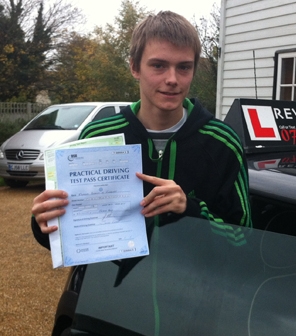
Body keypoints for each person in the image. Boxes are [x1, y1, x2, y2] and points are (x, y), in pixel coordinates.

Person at [31, 11, 252, 249]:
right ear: (135, 68)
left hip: (194, 286)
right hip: (113, 287)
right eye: (158, 65)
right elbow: (74, 236)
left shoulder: (223, 143)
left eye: (184, 67)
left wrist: (190, 209)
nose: (172, 79)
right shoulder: (97, 137)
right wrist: (44, 223)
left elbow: (245, 239)